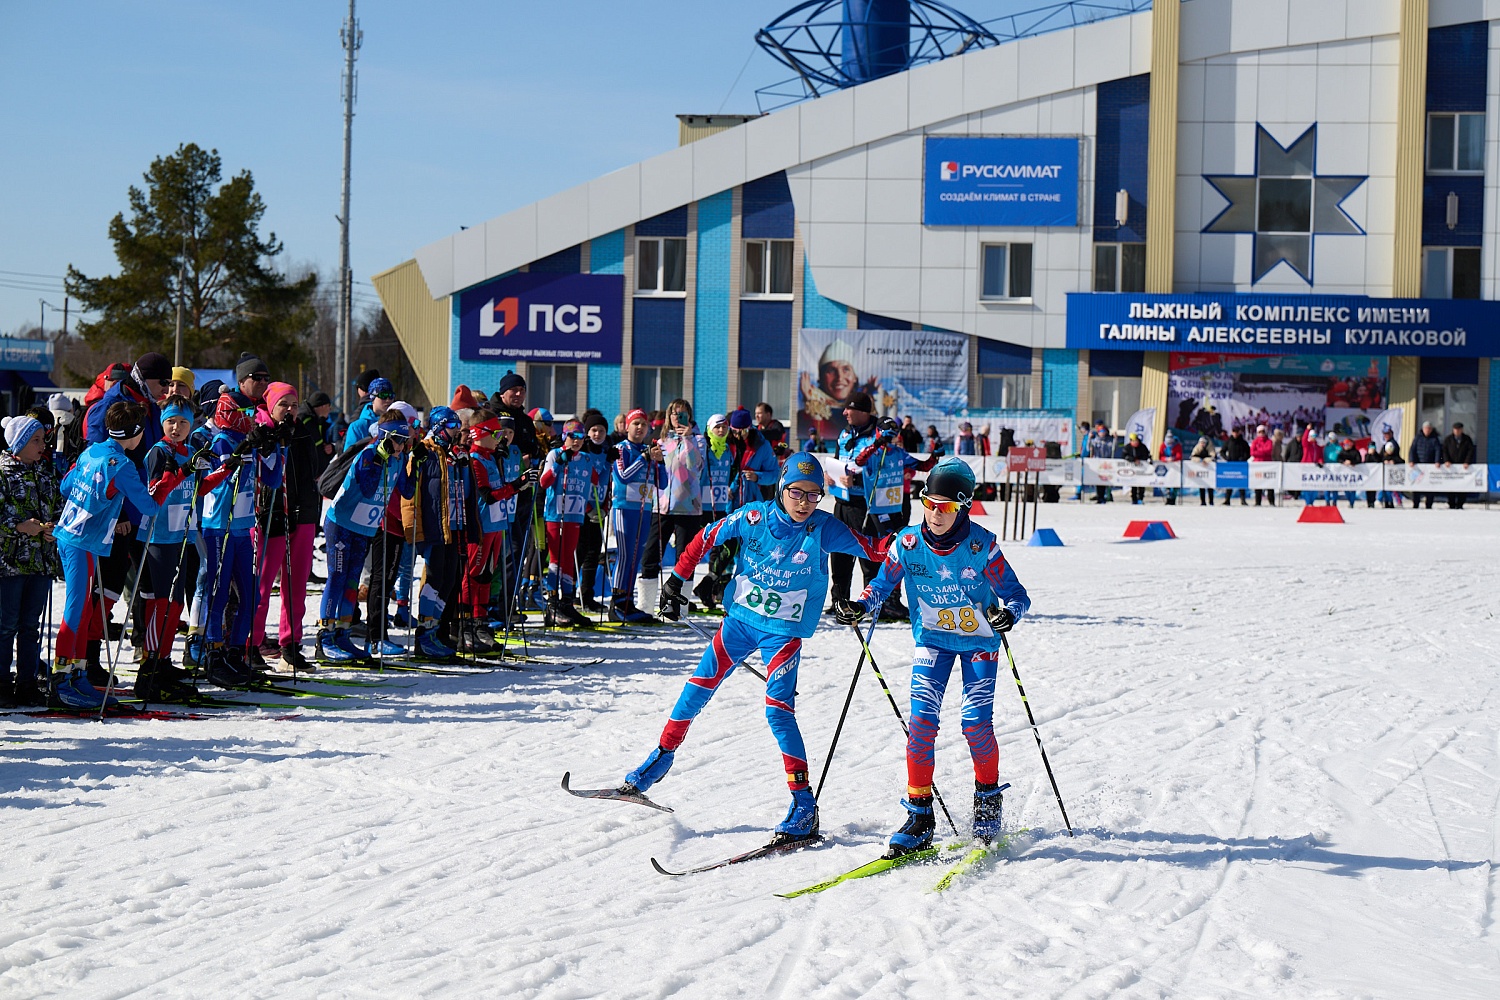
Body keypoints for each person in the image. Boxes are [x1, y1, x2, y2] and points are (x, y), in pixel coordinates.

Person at [624, 453, 889, 844]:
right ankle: (661, 758)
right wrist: (676, 580)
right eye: (796, 493)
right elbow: (704, 538)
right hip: (739, 625)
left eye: (814, 495)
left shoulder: (823, 528)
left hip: (782, 635)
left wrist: (922, 538)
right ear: (782, 489)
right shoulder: (753, 518)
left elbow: (877, 549)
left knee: (778, 712)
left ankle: (803, 805)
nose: (804, 503)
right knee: (695, 690)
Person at [835, 458, 1030, 856]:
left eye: (946, 507)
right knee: (921, 723)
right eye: (929, 502)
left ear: (963, 508)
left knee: (975, 724)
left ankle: (987, 802)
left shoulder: (981, 545)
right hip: (933, 643)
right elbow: (880, 584)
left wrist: (1006, 614)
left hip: (978, 644)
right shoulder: (906, 543)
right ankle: (920, 814)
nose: (935, 513)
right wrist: (860, 605)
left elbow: (1017, 595)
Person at [53, 401, 185, 708]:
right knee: (75, 611)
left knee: (84, 609)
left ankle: (77, 674)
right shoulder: (122, 465)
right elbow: (150, 507)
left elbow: (65, 486)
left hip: (75, 538)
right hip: (81, 542)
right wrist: (166, 482)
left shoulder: (93, 450)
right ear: (136, 433)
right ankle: (62, 680)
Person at [201, 393, 284, 688]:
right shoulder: (220, 440)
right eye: (244, 410)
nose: (249, 416)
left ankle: (236, 654)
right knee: (219, 594)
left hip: (243, 528)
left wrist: (274, 447)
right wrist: (238, 457)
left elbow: (272, 480)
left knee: (252, 595)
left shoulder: (245, 438)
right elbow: (218, 483)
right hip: (219, 528)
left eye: (251, 411)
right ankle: (213, 654)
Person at [135, 395, 214, 703]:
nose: (177, 428)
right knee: (163, 604)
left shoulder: (190, 451)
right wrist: (183, 471)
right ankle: (149, 666)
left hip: (183, 535)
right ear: (161, 424)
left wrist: (224, 470)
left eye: (183, 422)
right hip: (159, 537)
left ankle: (163, 661)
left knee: (176, 605)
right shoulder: (159, 452)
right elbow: (155, 494)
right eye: (171, 422)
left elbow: (199, 488)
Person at [317, 416, 414, 662]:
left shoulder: (399, 457)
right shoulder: (369, 455)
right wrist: (382, 460)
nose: (402, 446)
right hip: (342, 524)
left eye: (405, 441)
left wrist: (416, 464)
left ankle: (343, 633)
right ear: (385, 438)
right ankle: (325, 637)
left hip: (364, 527)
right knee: (338, 577)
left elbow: (408, 490)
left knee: (352, 581)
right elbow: (369, 487)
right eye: (398, 440)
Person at [251, 383, 320, 671]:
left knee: (296, 586)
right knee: (261, 587)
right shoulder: (259, 430)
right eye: (283, 404)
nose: (290, 409)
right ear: (270, 405)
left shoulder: (302, 431)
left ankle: (290, 643)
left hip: (301, 514)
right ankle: (251, 644)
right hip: (271, 515)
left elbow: (313, 470)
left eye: (293, 404)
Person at [847, 416, 942, 617]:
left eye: (893, 436)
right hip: (877, 509)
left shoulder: (898, 453)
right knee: (892, 548)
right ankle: (887, 599)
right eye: (888, 436)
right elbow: (859, 460)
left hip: (896, 508)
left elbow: (923, 467)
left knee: (901, 548)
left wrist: (935, 456)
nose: (891, 439)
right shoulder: (874, 452)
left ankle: (892, 598)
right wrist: (877, 444)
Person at [0, 415, 63, 707]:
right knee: (5, 625)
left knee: (30, 626)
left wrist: (54, 529)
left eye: (42, 439)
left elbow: (59, 509)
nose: (42, 445)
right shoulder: (3, 473)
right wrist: (17, 525)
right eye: (35, 440)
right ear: (20, 443)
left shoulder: (45, 473)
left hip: (40, 562)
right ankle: (2, 683)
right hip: (9, 563)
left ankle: (27, 682)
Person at [402, 406, 470, 659]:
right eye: (452, 427)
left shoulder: (449, 453)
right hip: (432, 529)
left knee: (448, 581)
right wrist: (414, 532)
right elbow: (410, 496)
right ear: (440, 426)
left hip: (451, 527)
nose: (456, 432)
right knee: (433, 581)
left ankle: (435, 630)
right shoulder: (424, 452)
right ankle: (424, 633)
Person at [642, 399, 709, 618]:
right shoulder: (663, 441)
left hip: (688, 508)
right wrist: (656, 459)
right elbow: (657, 470)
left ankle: (679, 607)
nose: (677, 418)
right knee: (651, 555)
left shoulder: (698, 440)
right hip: (662, 506)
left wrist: (688, 438)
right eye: (673, 414)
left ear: (689, 417)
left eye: (682, 414)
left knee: (685, 559)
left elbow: (695, 466)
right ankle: (644, 607)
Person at [538, 419, 600, 627]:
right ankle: (552, 605)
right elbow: (544, 482)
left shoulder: (585, 458)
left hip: (575, 514)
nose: (577, 441)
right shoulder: (554, 455)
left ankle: (567, 603)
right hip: (556, 514)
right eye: (572, 436)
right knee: (556, 559)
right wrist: (559, 463)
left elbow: (596, 480)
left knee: (569, 560)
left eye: (581, 437)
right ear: (565, 437)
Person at [609, 409, 666, 623]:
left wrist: (659, 462)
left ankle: (628, 602)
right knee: (625, 555)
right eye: (636, 424)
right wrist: (644, 458)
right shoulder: (620, 449)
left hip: (645, 507)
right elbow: (623, 476)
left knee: (636, 556)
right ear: (627, 427)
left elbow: (663, 483)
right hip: (625, 507)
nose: (640, 428)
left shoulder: (648, 449)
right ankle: (617, 601)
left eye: (643, 424)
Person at [827, 391, 881, 608]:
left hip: (864, 505)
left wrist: (857, 480)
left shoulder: (878, 435)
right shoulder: (844, 433)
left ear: (862, 412)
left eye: (849, 409)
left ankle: (872, 603)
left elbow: (883, 470)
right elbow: (838, 459)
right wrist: (829, 475)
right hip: (841, 503)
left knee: (868, 557)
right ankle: (839, 602)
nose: (845, 412)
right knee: (838, 555)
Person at [575, 413, 613, 615]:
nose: (598, 434)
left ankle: (587, 595)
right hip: (582, 510)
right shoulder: (583, 451)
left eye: (601, 431)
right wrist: (589, 509)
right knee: (579, 553)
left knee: (593, 554)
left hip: (599, 510)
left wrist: (605, 507)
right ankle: (569, 595)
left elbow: (607, 484)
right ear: (587, 433)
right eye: (594, 430)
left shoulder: (607, 453)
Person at [344, 377, 394, 449]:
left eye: (391, 395)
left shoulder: (398, 422)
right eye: (383, 395)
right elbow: (349, 457)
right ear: (372, 397)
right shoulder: (357, 427)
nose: (388, 400)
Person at [1408, 421, 1443, 509]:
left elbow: (1438, 450)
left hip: (1430, 467)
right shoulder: (1417, 438)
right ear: (1423, 429)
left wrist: (1437, 461)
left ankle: (1429, 505)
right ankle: (1416, 504)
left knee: (1430, 487)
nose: (1427, 430)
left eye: (1429, 429)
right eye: (1426, 428)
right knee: (1417, 487)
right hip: (1419, 467)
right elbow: (1412, 450)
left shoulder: (1434, 439)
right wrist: (1412, 460)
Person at [1442, 422, 1476, 509]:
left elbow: (1470, 451)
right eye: (1455, 429)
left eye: (1459, 429)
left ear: (1462, 430)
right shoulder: (1448, 439)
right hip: (1451, 467)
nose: (1457, 431)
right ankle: (1451, 503)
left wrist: (1467, 462)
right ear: (1453, 430)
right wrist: (1446, 461)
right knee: (1451, 486)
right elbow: (1444, 451)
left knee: (1462, 486)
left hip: (1463, 467)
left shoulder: (1467, 439)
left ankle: (1460, 504)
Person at [1218, 426, 1250, 505]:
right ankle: (1227, 500)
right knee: (1229, 483)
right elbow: (1222, 451)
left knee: (1241, 483)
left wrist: (1243, 458)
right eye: (1234, 431)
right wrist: (1227, 458)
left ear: (1239, 432)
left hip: (1241, 465)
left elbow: (1248, 453)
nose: (1235, 433)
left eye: (1236, 431)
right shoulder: (1228, 441)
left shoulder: (1243, 442)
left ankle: (1243, 500)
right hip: (1231, 465)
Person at [1121, 432, 1151, 504]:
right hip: (1132, 469)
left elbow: (1147, 455)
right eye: (1133, 441)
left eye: (1136, 441)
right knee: (1133, 484)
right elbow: (1124, 456)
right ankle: (1134, 499)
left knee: (1141, 484)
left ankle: (1140, 498)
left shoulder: (1142, 447)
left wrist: (1145, 460)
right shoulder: (1127, 447)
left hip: (1142, 469)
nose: (1135, 442)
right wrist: (1133, 459)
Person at [1249, 425, 1275, 506]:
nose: (1261, 433)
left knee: (1270, 484)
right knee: (1258, 484)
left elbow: (1269, 450)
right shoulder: (1255, 442)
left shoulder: (1269, 441)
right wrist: (1263, 452)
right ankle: (1258, 502)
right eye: (1259, 432)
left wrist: (1259, 451)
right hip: (1258, 466)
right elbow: (1252, 452)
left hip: (1267, 465)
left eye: (1263, 431)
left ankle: (1271, 502)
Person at [1159, 431, 1182, 505]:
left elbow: (1179, 455)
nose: (1169, 444)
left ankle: (1173, 499)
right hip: (1166, 467)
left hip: (1175, 468)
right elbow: (1160, 456)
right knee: (1165, 483)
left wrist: (1173, 458)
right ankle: (1167, 498)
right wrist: (1166, 459)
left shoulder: (1177, 445)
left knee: (1175, 483)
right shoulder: (1163, 445)